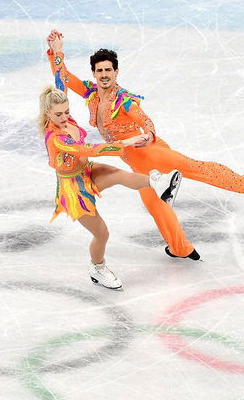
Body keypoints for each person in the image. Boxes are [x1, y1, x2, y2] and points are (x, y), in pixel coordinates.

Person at [46, 29, 244, 261]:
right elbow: (63, 79)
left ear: (116, 72)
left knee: (194, 167)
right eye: (100, 70)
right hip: (136, 162)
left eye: (108, 70)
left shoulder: (123, 100)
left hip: (150, 151)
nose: (104, 74)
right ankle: (180, 248)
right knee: (155, 204)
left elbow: (144, 119)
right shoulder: (92, 94)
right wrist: (57, 52)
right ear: (94, 73)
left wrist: (150, 134)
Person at [38, 86, 181, 291]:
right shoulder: (56, 138)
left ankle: (161, 185)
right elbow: (90, 150)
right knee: (102, 234)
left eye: (67, 112)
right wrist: (127, 142)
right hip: (72, 189)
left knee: (117, 174)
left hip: (86, 171)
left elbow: (61, 80)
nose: (64, 117)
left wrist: (57, 55)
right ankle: (97, 268)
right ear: (48, 113)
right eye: (58, 114)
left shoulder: (67, 120)